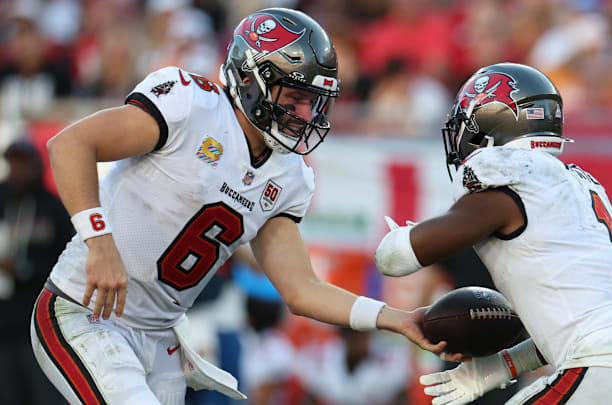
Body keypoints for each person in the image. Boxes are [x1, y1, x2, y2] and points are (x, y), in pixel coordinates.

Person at [29, 8, 445, 405]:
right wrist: (99, 242)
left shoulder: (289, 176)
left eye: (314, 101)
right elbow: (70, 144)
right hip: (86, 311)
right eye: (295, 97)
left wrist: (394, 316)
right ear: (250, 79)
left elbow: (303, 290)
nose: (305, 114)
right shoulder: (190, 105)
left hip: (161, 338)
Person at [374, 62, 612, 405]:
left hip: (610, 372)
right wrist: (498, 367)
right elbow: (585, 324)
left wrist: (398, 240)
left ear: (488, 122)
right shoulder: (579, 190)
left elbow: (397, 257)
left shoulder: (507, 182)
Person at [0, 140, 73, 405]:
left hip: (39, 325)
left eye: (23, 164)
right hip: (3, 324)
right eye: (13, 164)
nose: (17, 171)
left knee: (44, 394)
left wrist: (22, 270)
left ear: (36, 166)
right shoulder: (2, 199)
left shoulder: (53, 208)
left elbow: (67, 263)